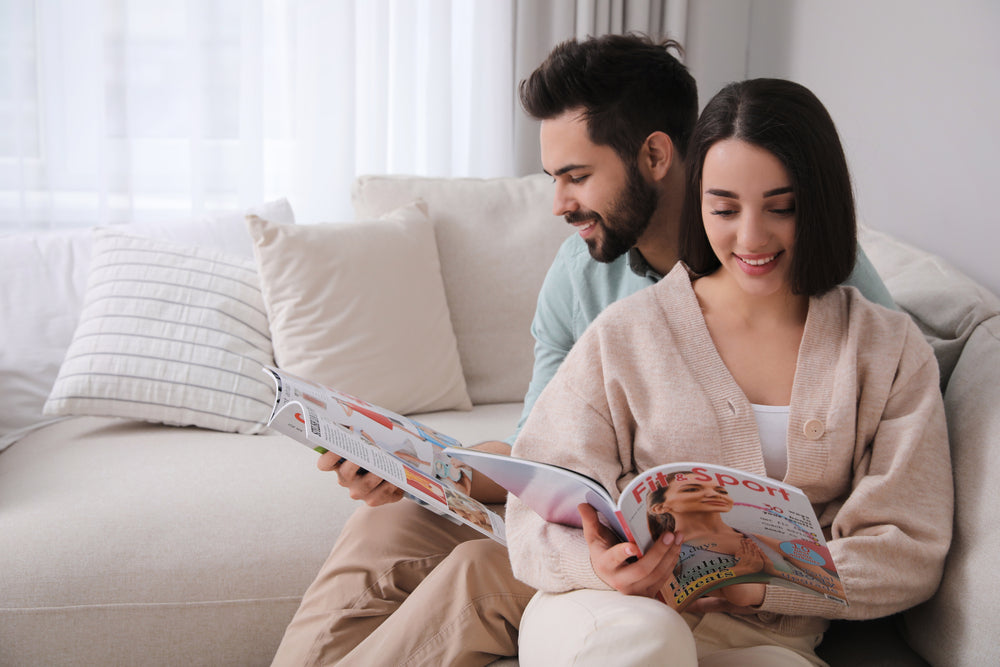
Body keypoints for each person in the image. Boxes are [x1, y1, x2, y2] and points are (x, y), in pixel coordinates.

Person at [270, 35, 895, 666]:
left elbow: (865, 393)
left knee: (481, 569)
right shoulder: (581, 275)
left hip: (687, 566)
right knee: (385, 525)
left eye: (577, 176)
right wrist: (418, 464)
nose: (559, 204)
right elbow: (538, 456)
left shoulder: (800, 265)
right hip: (594, 531)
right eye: (554, 178)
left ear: (654, 155)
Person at [506, 78, 953, 666]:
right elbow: (535, 497)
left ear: (821, 203)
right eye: (723, 208)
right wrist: (595, 562)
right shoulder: (626, 333)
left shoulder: (887, 348)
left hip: (774, 636)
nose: (750, 237)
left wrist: (760, 584)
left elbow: (909, 549)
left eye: (781, 207)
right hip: (613, 612)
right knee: (644, 645)